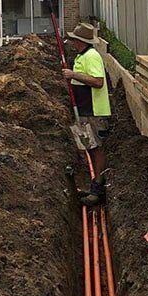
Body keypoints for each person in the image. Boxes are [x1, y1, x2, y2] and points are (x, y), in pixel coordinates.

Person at [62, 22, 111, 206]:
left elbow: (98, 82)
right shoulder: (82, 55)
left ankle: (98, 187)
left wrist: (73, 75)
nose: (72, 43)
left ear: (80, 41)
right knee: (88, 146)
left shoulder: (92, 56)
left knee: (95, 147)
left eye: (74, 40)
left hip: (93, 111)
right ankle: (92, 184)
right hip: (84, 110)